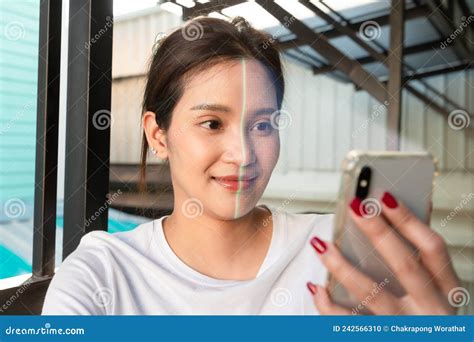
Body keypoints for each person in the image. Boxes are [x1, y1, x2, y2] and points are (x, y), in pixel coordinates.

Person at [42, 16, 459, 315]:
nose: (243, 155)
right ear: (158, 135)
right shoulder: (103, 274)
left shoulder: (337, 252)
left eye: (262, 124)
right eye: (212, 123)